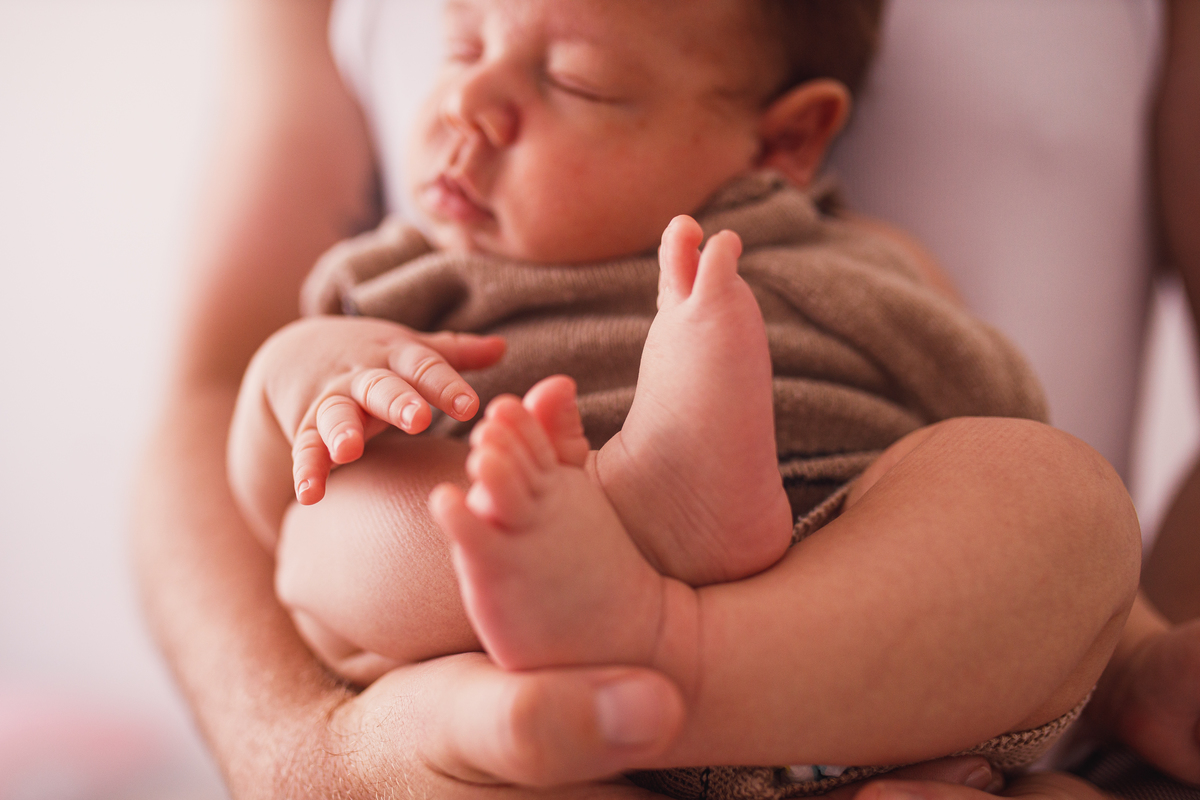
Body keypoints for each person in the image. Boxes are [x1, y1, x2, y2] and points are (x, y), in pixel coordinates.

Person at [128, 1, 1198, 799]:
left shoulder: (847, 263)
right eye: (461, 45)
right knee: (340, 522)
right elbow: (252, 455)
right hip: (516, 678)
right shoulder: (398, 286)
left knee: (1056, 497)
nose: (469, 101)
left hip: (843, 646)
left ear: (782, 142)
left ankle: (674, 637)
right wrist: (308, 378)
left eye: (578, 83)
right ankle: (629, 517)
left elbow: (998, 419)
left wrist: (1122, 656)